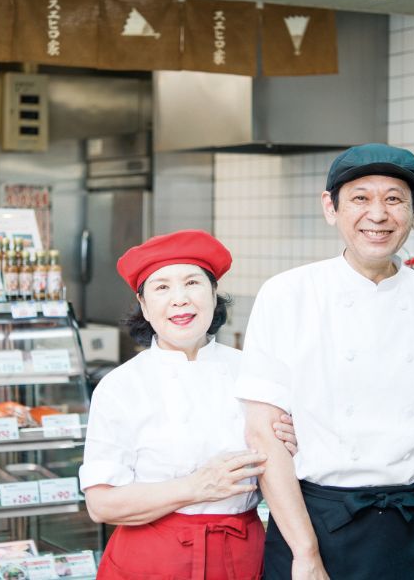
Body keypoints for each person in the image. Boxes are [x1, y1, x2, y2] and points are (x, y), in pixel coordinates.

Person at [236, 144, 414, 580]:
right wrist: (306, 555)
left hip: (413, 520)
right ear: (331, 207)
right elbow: (262, 435)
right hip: (317, 523)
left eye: (394, 198)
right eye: (360, 198)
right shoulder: (287, 294)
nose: (378, 215)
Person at [80, 229, 298, 580]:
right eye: (162, 287)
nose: (180, 299)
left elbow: (286, 472)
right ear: (144, 305)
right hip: (149, 562)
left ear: (213, 295)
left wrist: (295, 445)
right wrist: (196, 487)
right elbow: (101, 504)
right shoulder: (120, 387)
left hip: (242, 556)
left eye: (193, 283)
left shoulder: (255, 373)